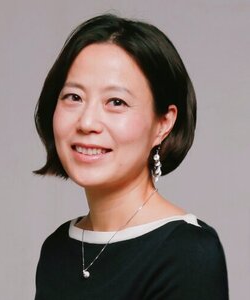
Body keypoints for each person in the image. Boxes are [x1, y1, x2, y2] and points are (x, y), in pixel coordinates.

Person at [33, 14, 229, 299]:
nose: (87, 122)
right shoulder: (58, 248)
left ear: (163, 124)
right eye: (74, 97)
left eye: (116, 102)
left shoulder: (187, 252)